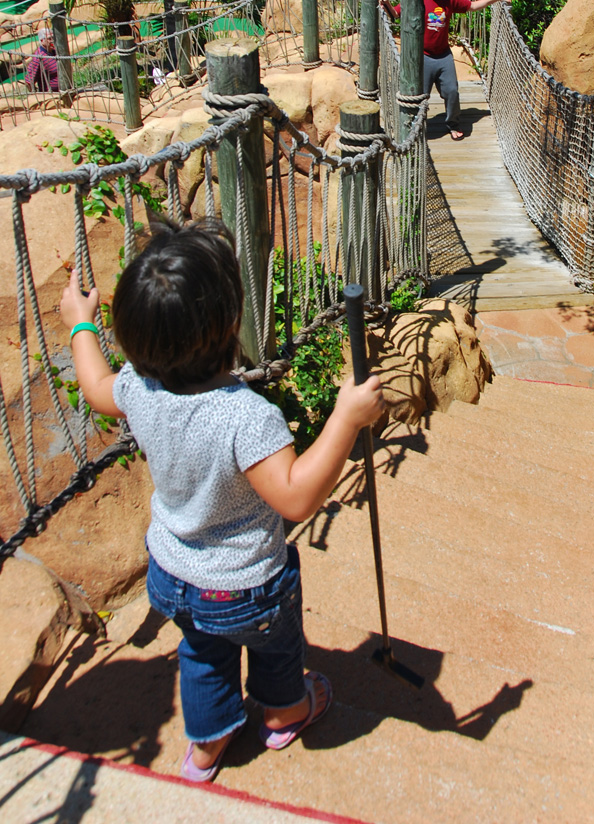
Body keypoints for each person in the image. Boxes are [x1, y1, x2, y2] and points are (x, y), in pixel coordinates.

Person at [59, 220, 384, 783]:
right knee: (277, 649)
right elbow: (297, 496)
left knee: (203, 656)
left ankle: (206, 750)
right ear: (231, 323)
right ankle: (285, 713)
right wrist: (346, 416)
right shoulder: (245, 416)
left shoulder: (138, 388)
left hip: (172, 574)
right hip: (245, 585)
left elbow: (94, 385)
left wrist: (80, 324)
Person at [381, 0, 511, 140]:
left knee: (451, 91)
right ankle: (414, 128)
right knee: (419, 96)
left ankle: (453, 124)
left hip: (443, 55)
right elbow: (395, 15)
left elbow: (472, 6)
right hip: (423, 56)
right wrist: (387, 4)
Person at [25, 27, 59, 92]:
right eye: (49, 38)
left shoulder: (55, 51)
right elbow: (28, 81)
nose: (52, 40)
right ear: (41, 41)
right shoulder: (39, 58)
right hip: (51, 95)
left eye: (53, 37)